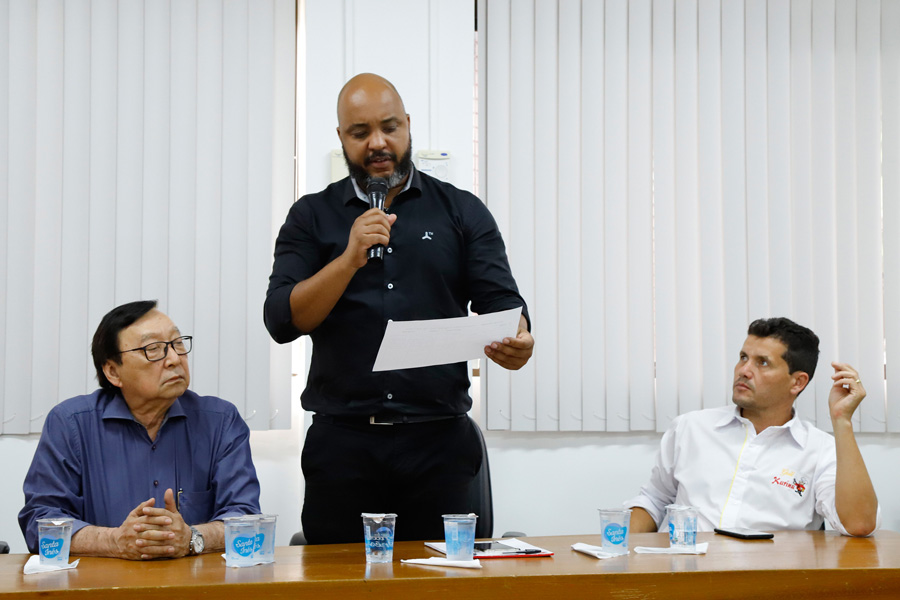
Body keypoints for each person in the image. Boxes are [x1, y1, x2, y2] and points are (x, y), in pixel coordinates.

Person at [264, 73, 534, 544]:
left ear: (408, 125)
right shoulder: (310, 216)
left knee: (440, 578)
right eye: (360, 132)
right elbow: (282, 320)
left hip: (439, 444)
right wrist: (348, 259)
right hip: (342, 446)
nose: (377, 143)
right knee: (338, 579)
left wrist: (520, 338)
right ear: (341, 137)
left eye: (389, 127)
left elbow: (503, 304)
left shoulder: (461, 211)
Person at [19, 300, 261, 559]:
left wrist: (192, 538)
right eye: (153, 349)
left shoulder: (220, 421)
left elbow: (246, 518)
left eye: (178, 343)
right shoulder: (70, 424)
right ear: (113, 372)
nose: (174, 359)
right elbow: (40, 522)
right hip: (101, 582)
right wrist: (114, 541)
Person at [626, 317, 880, 537]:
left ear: (797, 383)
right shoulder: (690, 428)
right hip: (687, 568)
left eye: (762, 362)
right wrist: (620, 548)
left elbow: (858, 524)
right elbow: (655, 500)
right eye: (743, 358)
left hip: (771, 574)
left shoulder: (820, 450)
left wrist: (842, 420)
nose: (744, 370)